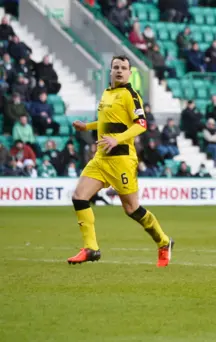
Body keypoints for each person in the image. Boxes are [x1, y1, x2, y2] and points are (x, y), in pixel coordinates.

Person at [67, 56, 174, 267]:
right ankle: (91, 249)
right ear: (110, 71)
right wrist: (87, 127)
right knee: (79, 197)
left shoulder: (131, 95)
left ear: (129, 72)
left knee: (132, 208)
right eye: (116, 67)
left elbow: (141, 124)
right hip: (101, 158)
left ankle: (163, 242)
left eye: (124, 68)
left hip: (122, 159)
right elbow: (108, 121)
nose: (119, 71)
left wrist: (117, 139)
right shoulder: (107, 93)